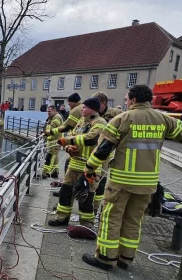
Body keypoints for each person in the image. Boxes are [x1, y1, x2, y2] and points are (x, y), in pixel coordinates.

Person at [80, 85, 182, 270]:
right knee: (134, 219)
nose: (125, 101)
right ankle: (125, 258)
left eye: (126, 98)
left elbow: (104, 149)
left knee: (111, 217)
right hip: (147, 183)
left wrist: (89, 167)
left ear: (132, 100)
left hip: (121, 181)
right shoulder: (163, 119)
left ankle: (106, 258)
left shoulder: (123, 119)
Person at [48, 97, 107, 228]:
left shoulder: (100, 122)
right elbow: (71, 135)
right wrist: (68, 148)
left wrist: (68, 142)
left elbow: (91, 139)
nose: (82, 109)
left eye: (85, 107)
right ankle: (61, 217)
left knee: (85, 196)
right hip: (74, 164)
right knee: (65, 192)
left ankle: (86, 224)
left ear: (93, 109)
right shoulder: (81, 122)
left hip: (89, 167)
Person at [91, 91, 123, 214]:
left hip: (106, 153)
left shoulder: (117, 114)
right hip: (92, 150)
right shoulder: (92, 114)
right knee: (91, 179)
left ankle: (95, 207)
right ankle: (88, 204)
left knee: (101, 180)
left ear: (103, 103)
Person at [42, 105, 64, 178]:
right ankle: (55, 172)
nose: (48, 112)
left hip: (54, 141)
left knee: (50, 157)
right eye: (47, 111)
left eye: (49, 111)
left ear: (54, 110)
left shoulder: (56, 118)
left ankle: (45, 173)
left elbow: (52, 129)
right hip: (53, 141)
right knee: (55, 158)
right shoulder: (52, 117)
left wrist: (44, 135)